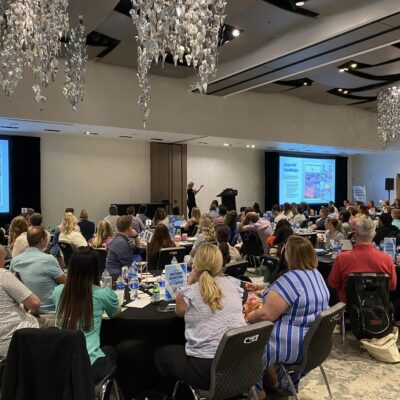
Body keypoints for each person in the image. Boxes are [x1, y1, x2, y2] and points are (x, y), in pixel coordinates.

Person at [154, 244, 246, 391]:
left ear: (195, 264)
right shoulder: (234, 285)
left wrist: (190, 280)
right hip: (238, 363)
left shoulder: (189, 293)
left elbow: (179, 312)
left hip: (205, 368)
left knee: (160, 354)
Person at [246, 236, 329, 397]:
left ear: (289, 255)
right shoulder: (315, 274)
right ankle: (274, 380)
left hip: (293, 344)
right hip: (314, 342)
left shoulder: (291, 279)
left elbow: (266, 315)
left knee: (250, 342)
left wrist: (247, 317)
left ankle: (255, 391)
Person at [53, 247, 120, 383]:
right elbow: (115, 313)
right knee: (113, 350)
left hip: (61, 363)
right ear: (96, 269)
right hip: (89, 366)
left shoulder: (58, 292)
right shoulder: (102, 294)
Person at [328, 218, 397, 303]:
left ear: (355, 233)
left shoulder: (341, 258)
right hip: (378, 308)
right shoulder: (387, 259)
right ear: (374, 234)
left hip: (348, 307)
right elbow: (392, 286)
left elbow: (333, 283)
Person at [10, 227, 66, 314]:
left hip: (27, 310)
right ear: (42, 241)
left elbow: (12, 284)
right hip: (50, 311)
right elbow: (65, 282)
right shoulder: (48, 260)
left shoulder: (15, 261)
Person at [0, 245, 42, 357]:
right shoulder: (3, 275)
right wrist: (34, 312)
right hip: (12, 339)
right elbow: (35, 303)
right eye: (3, 259)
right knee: (60, 324)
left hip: (8, 339)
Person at [105, 215, 141, 281]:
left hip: (116, 274)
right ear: (130, 228)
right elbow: (128, 266)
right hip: (117, 277)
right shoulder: (122, 242)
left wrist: (136, 236)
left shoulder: (119, 239)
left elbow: (138, 250)